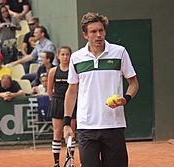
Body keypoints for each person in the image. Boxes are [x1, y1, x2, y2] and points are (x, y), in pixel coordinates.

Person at [63, 12, 139, 167]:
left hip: (114, 125)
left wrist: (126, 98)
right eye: (93, 32)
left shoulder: (120, 52)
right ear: (85, 35)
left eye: (101, 31)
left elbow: (133, 83)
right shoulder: (76, 58)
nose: (98, 35)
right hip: (86, 127)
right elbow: (72, 91)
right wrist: (66, 123)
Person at [47, 46, 77, 167]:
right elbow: (49, 91)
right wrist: (56, 100)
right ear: (58, 56)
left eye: (67, 54)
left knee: (71, 133)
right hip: (58, 102)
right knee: (57, 132)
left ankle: (69, 161)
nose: (65, 57)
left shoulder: (73, 70)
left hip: (71, 104)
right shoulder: (53, 71)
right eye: (63, 54)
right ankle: (56, 163)